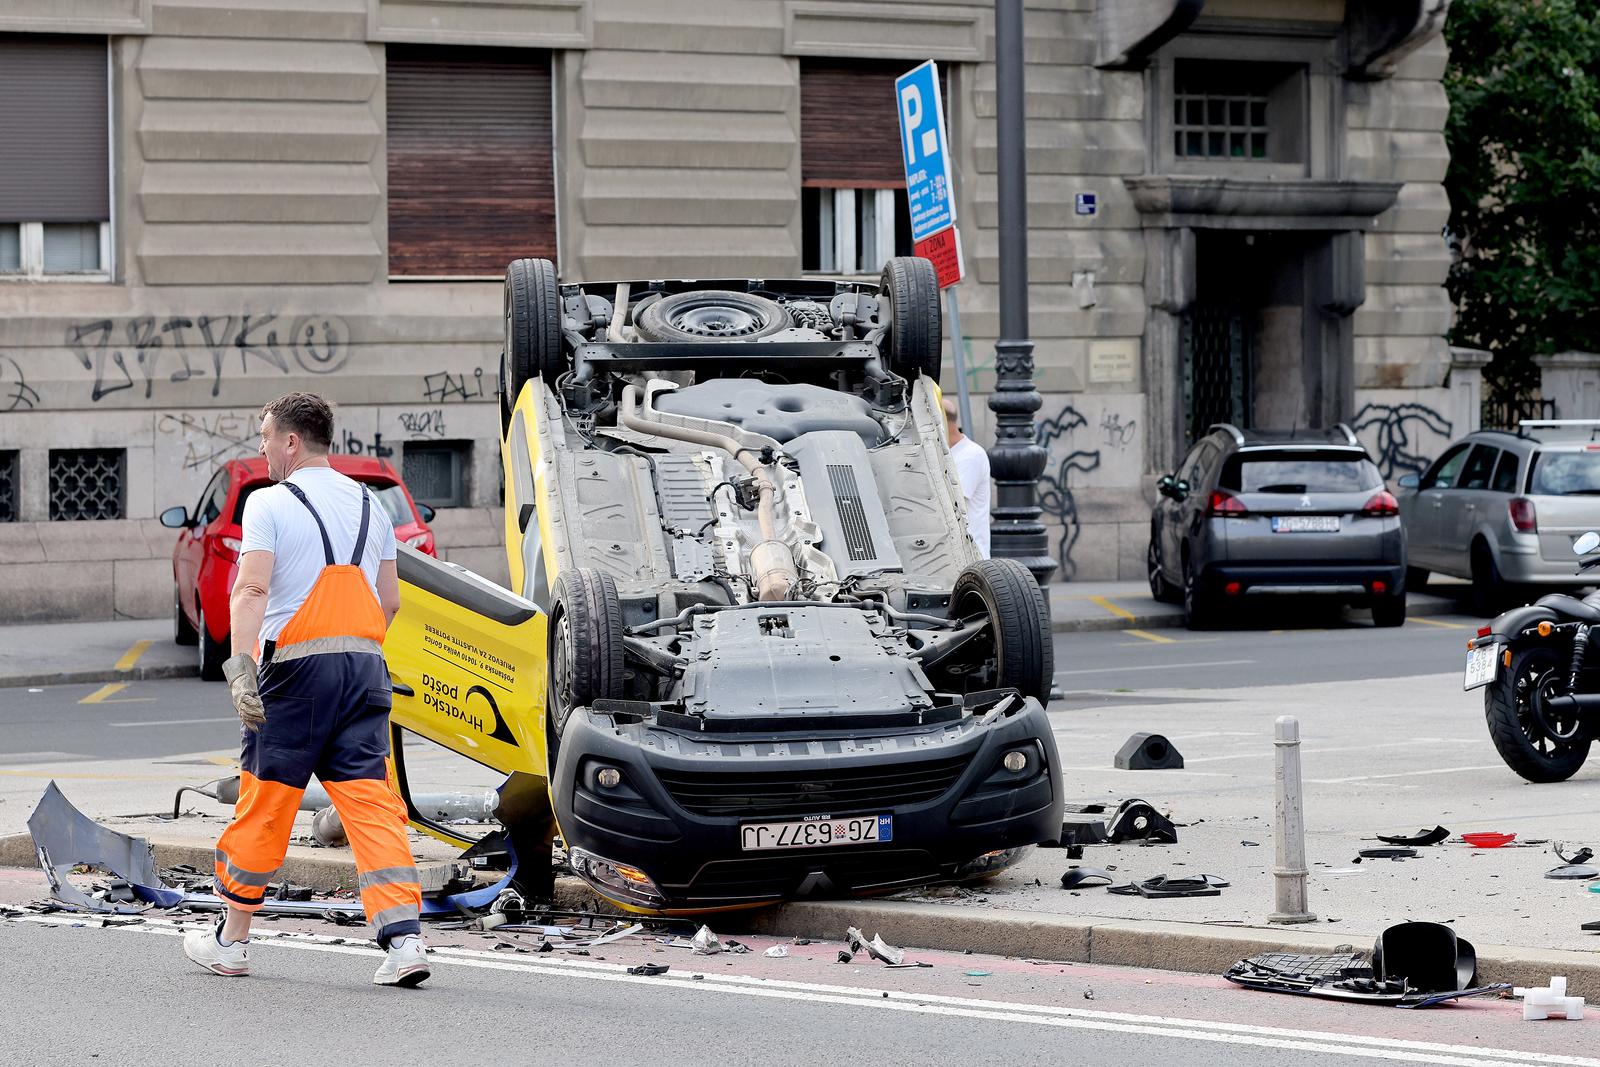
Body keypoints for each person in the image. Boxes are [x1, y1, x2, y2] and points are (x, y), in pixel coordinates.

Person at [183, 392, 429, 987]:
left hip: (294, 673)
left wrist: (241, 666)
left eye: (266, 436)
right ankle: (405, 944)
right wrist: (352, 648)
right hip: (366, 669)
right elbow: (390, 600)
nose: (262, 448)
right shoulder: (372, 507)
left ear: (292, 442)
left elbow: (250, 592)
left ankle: (232, 943)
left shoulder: (269, 503)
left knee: (266, 801)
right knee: (373, 805)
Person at [943, 396, 991, 558]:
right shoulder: (948, 454)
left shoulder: (970, 455)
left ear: (942, 421)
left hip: (971, 557)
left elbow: (952, 502)